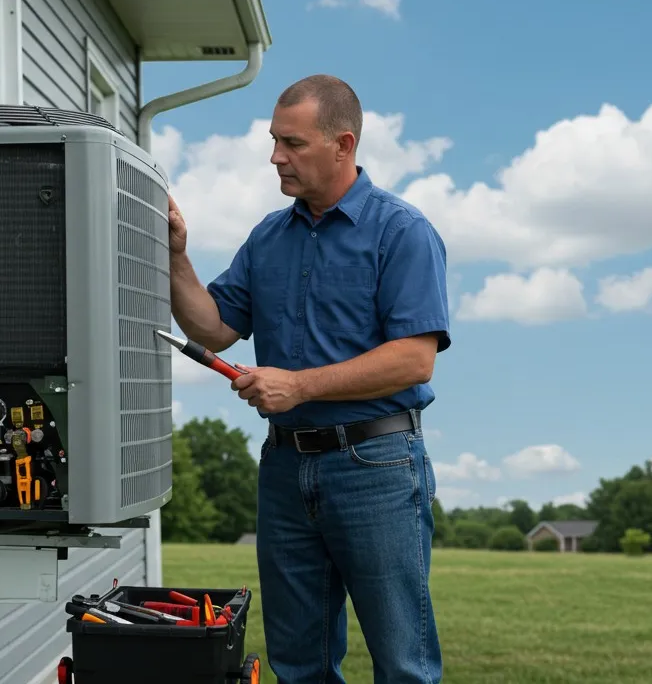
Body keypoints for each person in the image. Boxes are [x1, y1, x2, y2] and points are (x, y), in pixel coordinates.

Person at [166, 73, 450, 683]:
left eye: (292, 144)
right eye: (274, 141)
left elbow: (414, 359)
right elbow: (213, 328)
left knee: (404, 663)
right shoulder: (269, 237)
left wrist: (299, 385)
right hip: (286, 471)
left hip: (376, 467)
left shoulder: (401, 232)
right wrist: (176, 255)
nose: (276, 157)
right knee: (298, 665)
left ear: (343, 145)